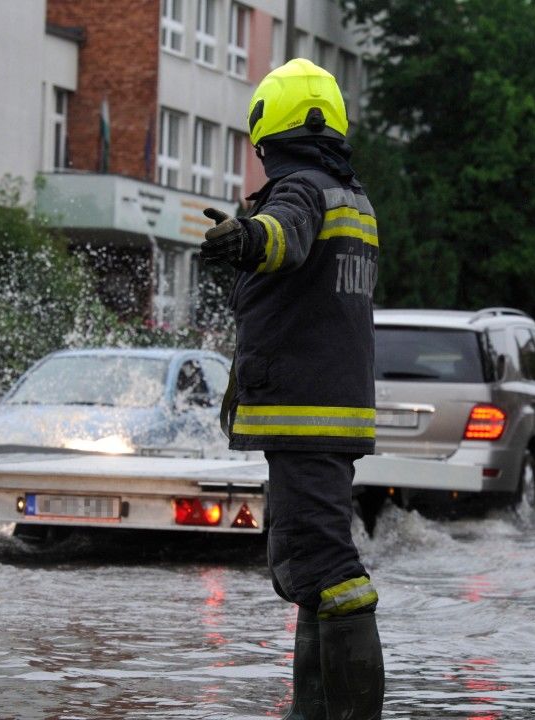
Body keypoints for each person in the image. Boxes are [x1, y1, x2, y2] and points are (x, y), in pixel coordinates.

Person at [199, 58, 383, 719]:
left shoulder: (300, 190)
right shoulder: (350, 198)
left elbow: (283, 239)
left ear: (265, 133)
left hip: (305, 417)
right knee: (309, 570)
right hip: (327, 416)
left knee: (328, 571)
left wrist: (245, 236)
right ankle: (311, 712)